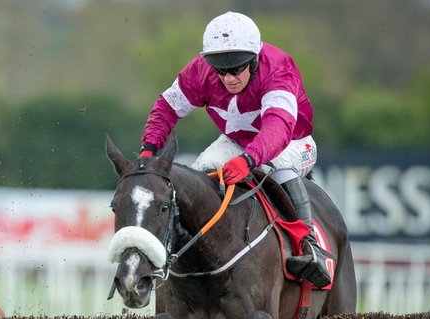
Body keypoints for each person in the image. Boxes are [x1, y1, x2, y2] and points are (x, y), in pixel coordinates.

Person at [138, 11, 331, 289]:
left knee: (270, 170)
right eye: (220, 70)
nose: (228, 78)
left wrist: (249, 159)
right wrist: (148, 149)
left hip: (291, 141)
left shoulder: (278, 68)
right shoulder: (201, 71)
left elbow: (277, 127)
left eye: (236, 69)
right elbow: (166, 108)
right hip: (237, 142)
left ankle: (309, 247)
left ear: (254, 60)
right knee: (200, 176)